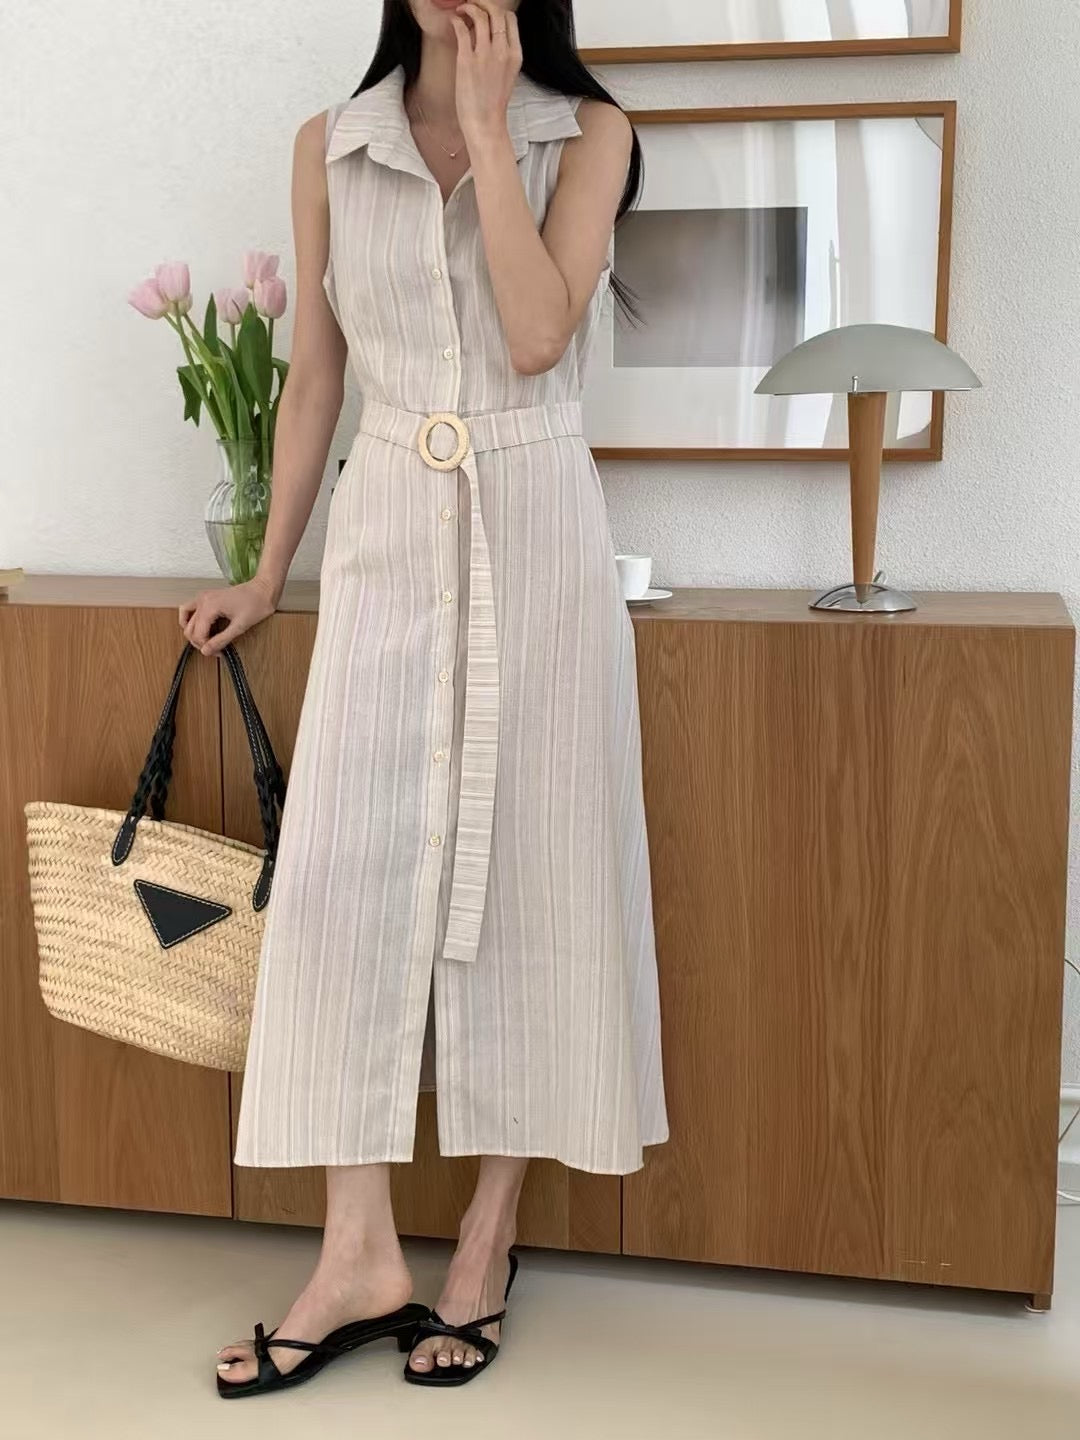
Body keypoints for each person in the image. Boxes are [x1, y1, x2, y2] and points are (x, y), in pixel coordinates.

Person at [181, 0, 667, 1397]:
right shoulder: (333, 146)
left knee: (532, 868)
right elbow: (316, 379)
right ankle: (357, 1255)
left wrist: (498, 138)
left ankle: (487, 1241)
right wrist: (268, 572)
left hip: (538, 522)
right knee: (346, 879)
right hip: (388, 523)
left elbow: (537, 335)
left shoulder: (592, 135)